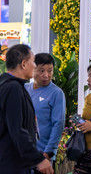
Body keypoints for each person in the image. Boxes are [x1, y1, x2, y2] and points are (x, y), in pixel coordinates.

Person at [0, 44, 53, 174]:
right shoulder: (13, 88)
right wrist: (38, 159)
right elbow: (17, 129)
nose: (35, 66)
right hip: (11, 164)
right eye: (33, 61)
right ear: (23, 64)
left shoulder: (11, 85)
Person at [25, 53, 65, 163]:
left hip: (42, 154)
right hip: (23, 152)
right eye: (41, 71)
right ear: (33, 69)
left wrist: (48, 153)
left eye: (50, 71)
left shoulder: (56, 93)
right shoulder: (24, 88)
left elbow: (58, 124)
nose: (46, 75)